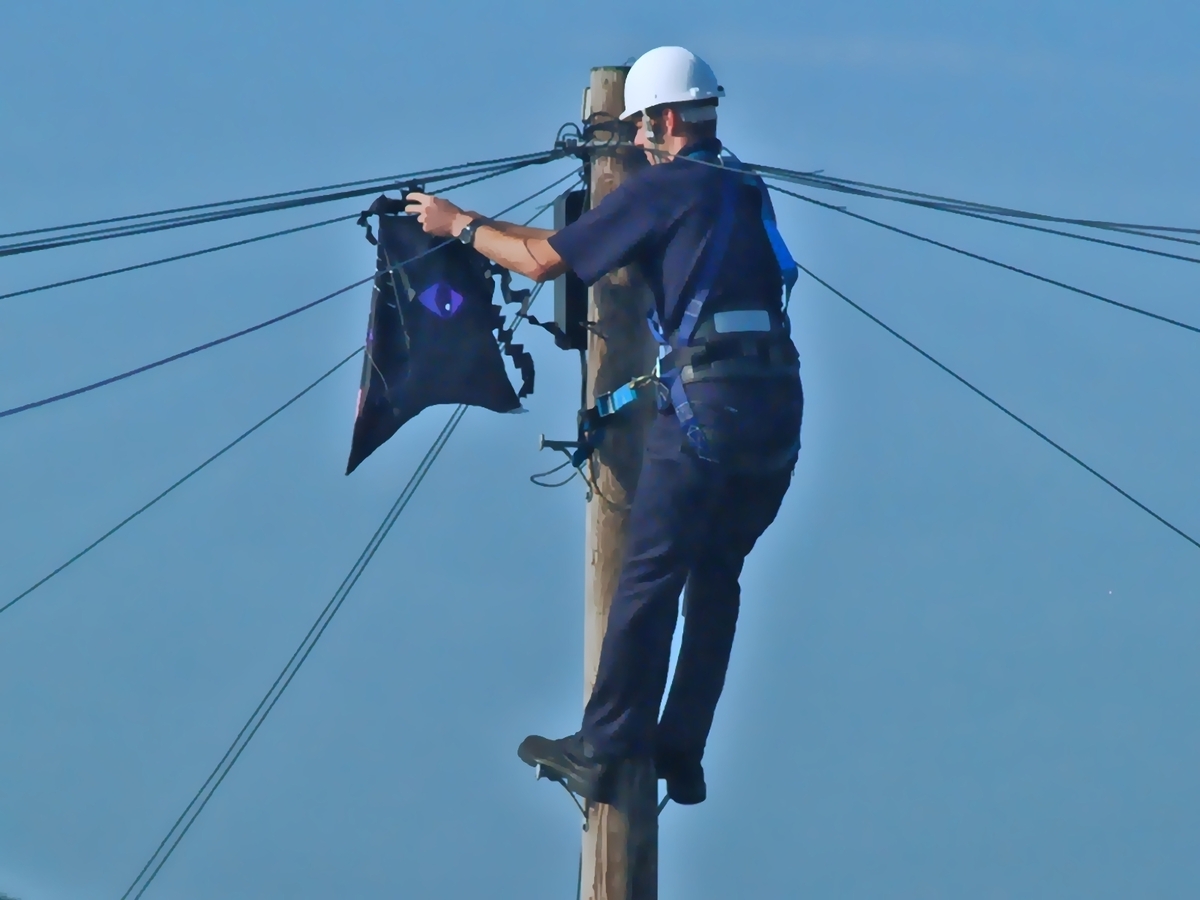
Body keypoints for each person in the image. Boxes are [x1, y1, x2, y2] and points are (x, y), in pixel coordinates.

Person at [405, 46, 803, 806]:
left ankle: (607, 742)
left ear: (666, 118)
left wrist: (455, 227)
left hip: (707, 407)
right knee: (716, 578)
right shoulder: (743, 186)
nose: (640, 145)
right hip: (777, 409)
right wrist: (475, 224)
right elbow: (567, 248)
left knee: (648, 574)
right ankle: (681, 749)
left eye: (643, 129)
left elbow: (541, 266)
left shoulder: (665, 188)